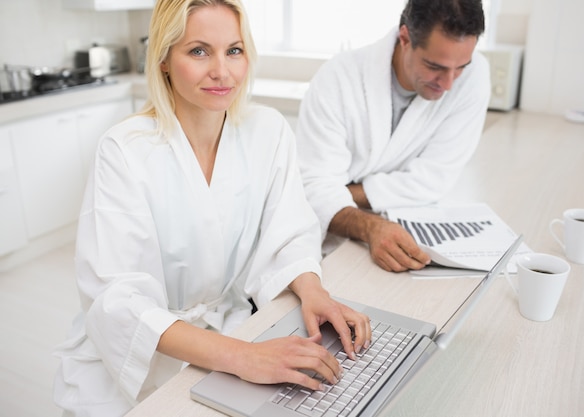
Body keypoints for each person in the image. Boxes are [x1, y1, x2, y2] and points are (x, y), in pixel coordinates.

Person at [53, 1, 371, 416]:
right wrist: (243, 357)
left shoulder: (268, 130)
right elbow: (117, 299)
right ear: (164, 59)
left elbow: (290, 230)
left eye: (234, 50)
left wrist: (315, 293)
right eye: (199, 51)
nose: (222, 71)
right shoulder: (124, 149)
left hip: (233, 330)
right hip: (136, 357)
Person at [296, 0, 490, 273]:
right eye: (435, 66)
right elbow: (313, 188)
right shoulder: (338, 79)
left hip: (406, 226)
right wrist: (369, 225)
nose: (448, 84)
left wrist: (341, 193)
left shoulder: (475, 75)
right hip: (332, 240)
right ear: (405, 39)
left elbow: (434, 178)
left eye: (461, 67)